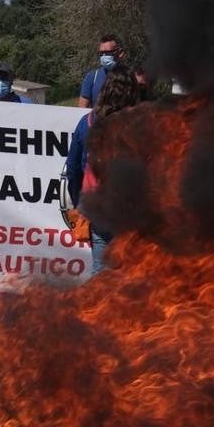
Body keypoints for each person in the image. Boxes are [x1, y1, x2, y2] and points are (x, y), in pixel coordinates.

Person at [65, 71, 140, 276]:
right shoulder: (140, 125)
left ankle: (97, 307)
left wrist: (79, 202)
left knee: (100, 272)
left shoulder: (86, 122)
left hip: (97, 207)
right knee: (131, 275)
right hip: (132, 211)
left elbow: (71, 170)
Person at [77, 34, 125, 108]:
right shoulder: (92, 77)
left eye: (108, 53)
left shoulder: (128, 78)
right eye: (101, 53)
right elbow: (81, 109)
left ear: (120, 53)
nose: (104, 56)